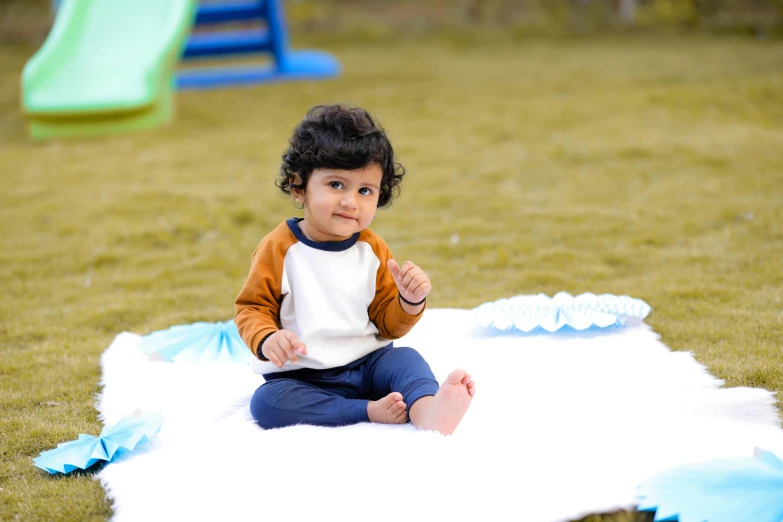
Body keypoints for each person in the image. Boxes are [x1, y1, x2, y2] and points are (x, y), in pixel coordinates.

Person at [234, 104, 475, 435]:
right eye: (336, 185)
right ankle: (364, 410)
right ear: (299, 187)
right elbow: (252, 308)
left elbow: (387, 326)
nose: (351, 201)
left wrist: (409, 302)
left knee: (405, 359)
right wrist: (268, 338)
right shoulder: (280, 248)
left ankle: (428, 411)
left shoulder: (372, 249)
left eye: (365, 190)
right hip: (303, 376)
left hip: (369, 363)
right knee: (267, 403)